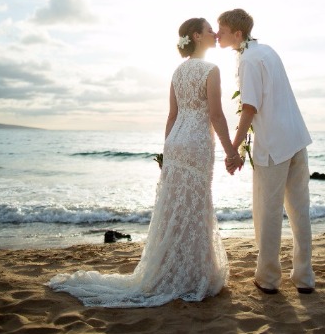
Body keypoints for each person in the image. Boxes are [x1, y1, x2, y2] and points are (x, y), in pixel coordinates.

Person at [48, 18, 243, 307]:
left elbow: (172, 117)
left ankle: (174, 269)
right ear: (197, 35)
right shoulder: (211, 70)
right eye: (209, 29)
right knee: (196, 206)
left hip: (176, 143)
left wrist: (166, 154)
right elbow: (215, 116)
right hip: (197, 144)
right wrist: (231, 152)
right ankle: (193, 274)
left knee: (175, 208)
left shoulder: (177, 72)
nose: (215, 33)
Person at [217, 8, 315, 295]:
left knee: (268, 213)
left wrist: (233, 148)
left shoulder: (248, 60)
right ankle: (305, 278)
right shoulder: (268, 51)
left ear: (238, 34)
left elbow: (249, 107)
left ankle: (269, 279)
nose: (218, 34)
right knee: (299, 211)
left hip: (274, 145)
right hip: (296, 137)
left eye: (222, 30)